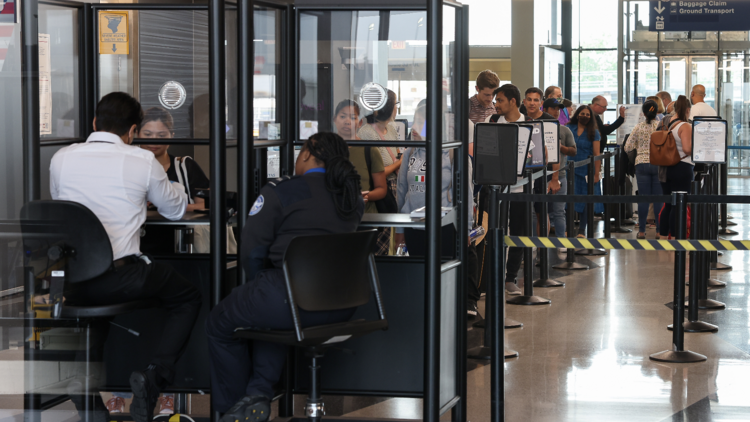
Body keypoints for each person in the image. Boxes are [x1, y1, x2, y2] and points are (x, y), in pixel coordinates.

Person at [50, 92, 201, 422]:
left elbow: (64, 208)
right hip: (121, 278)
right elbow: (174, 210)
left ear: (94, 123)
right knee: (188, 296)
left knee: (96, 317)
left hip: (72, 280)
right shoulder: (142, 161)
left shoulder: (61, 157)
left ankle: (88, 399)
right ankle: (155, 375)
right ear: (133, 131)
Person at [206, 132, 365, 422]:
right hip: (344, 304)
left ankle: (235, 408)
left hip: (287, 299)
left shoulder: (281, 190)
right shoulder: (351, 196)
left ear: (306, 153)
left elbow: (251, 251)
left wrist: (259, 285)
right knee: (271, 313)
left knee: (222, 322)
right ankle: (258, 392)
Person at [395, 102, 478, 311]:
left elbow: (467, 193)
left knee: (444, 279)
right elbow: (402, 190)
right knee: (419, 277)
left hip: (445, 227)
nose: (416, 128)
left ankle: (447, 317)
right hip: (415, 227)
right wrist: (399, 227)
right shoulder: (410, 152)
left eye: (422, 123)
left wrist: (466, 228)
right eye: (416, 121)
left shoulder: (454, 154)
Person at [484, 84, 530, 295]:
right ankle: (492, 276)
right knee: (494, 232)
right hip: (494, 191)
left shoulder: (529, 125)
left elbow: (539, 158)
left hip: (520, 189)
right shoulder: (491, 122)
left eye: (500, 100)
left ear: (513, 101)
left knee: (519, 233)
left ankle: (510, 277)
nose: (496, 105)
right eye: (495, 100)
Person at [357, 93, 399, 254]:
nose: (397, 108)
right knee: (379, 242)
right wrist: (400, 162)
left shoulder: (392, 130)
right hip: (379, 190)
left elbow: (394, 157)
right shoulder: (367, 132)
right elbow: (378, 170)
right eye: (396, 104)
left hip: (394, 187)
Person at [333, 99, 387, 218]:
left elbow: (381, 189)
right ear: (334, 119)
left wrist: (363, 197)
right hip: (333, 217)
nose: (347, 121)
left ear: (360, 122)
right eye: (343, 116)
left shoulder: (369, 149)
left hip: (365, 217)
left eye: (353, 118)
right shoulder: (326, 149)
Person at [624, 100, 663, 239]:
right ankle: (659, 231)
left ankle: (641, 231)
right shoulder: (661, 126)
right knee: (659, 199)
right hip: (658, 164)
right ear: (656, 112)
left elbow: (627, 147)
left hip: (641, 164)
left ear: (644, 113)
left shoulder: (638, 127)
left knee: (643, 198)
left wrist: (638, 149)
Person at [543, 98, 578, 248]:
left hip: (560, 175)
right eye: (553, 109)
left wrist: (560, 147)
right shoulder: (538, 127)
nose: (556, 112)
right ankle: (538, 244)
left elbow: (573, 150)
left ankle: (560, 242)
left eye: (558, 109)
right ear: (545, 110)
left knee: (559, 211)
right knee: (539, 212)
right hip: (541, 176)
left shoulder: (565, 130)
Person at [659, 95, 694, 238]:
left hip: (666, 168)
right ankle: (674, 238)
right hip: (682, 167)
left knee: (668, 204)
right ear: (687, 109)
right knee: (678, 205)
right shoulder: (685, 126)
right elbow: (686, 149)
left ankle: (662, 236)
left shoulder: (666, 122)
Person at [567, 105, 601, 237]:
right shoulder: (569, 128)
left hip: (587, 170)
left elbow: (597, 154)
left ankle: (582, 230)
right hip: (570, 169)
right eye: (582, 114)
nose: (585, 116)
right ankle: (567, 228)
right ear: (577, 114)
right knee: (568, 200)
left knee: (587, 201)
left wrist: (596, 174)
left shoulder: (594, 132)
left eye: (588, 114)